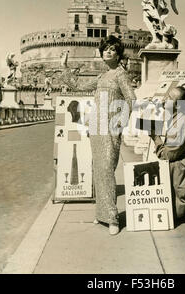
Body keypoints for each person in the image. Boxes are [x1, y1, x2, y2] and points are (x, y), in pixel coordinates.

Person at [77, 35, 136, 235]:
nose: (108, 52)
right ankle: (101, 213)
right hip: (96, 126)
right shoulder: (102, 77)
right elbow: (78, 86)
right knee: (99, 170)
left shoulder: (121, 75)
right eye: (105, 49)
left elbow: (131, 99)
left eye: (112, 49)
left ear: (118, 54)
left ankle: (113, 219)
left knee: (108, 169)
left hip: (110, 127)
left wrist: (121, 121)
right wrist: (66, 67)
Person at [149, 86, 185, 220]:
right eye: (167, 95)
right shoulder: (183, 110)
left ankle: (175, 215)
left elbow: (168, 155)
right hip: (179, 153)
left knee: (173, 210)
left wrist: (155, 137)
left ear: (178, 105)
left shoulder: (182, 123)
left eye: (170, 98)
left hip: (182, 162)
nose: (165, 99)